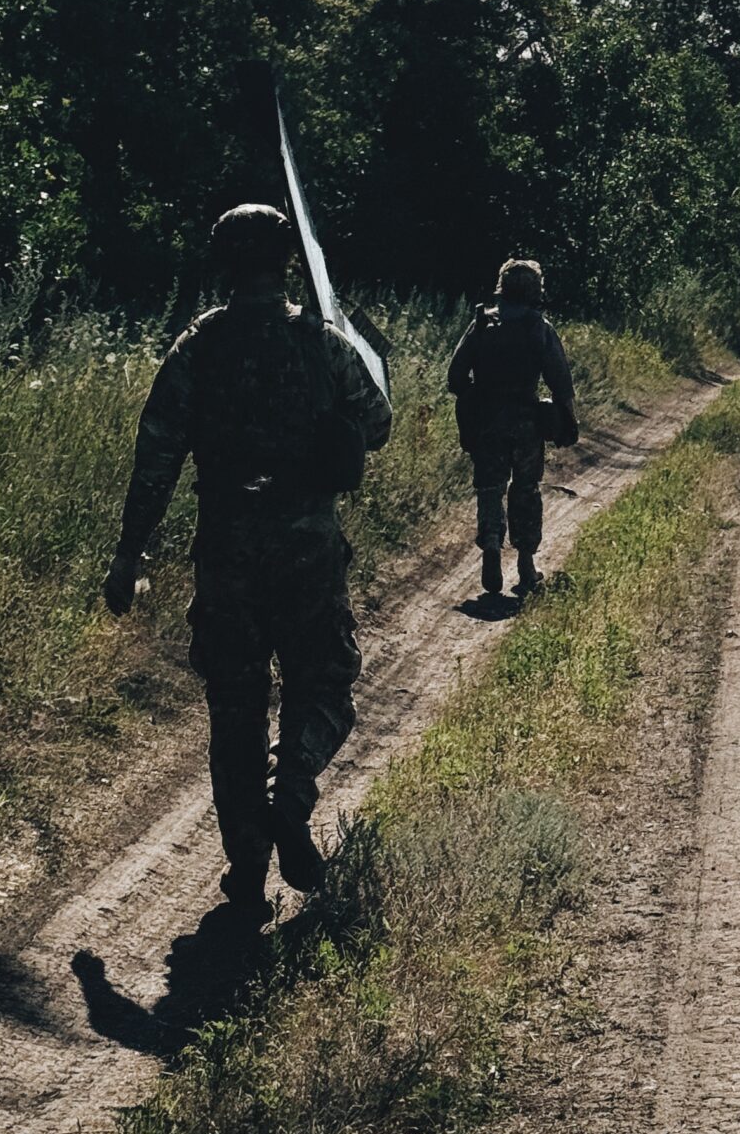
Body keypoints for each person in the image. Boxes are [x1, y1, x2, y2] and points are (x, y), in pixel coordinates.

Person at [103, 204, 391, 920]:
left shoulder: (200, 347)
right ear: (287, 261)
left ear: (223, 263)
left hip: (227, 548)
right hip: (306, 545)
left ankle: (246, 873)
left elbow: (157, 454)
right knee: (322, 683)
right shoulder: (323, 343)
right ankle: (291, 791)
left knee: (234, 710)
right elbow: (378, 425)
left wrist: (128, 552)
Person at [447, 257, 577, 600]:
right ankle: (525, 563)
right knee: (525, 489)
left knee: (490, 488)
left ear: (501, 288)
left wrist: (476, 397)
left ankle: (491, 546)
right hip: (526, 424)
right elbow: (561, 382)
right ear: (536, 291)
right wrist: (567, 418)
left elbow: (455, 377)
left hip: (488, 421)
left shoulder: (481, 324)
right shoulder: (540, 328)